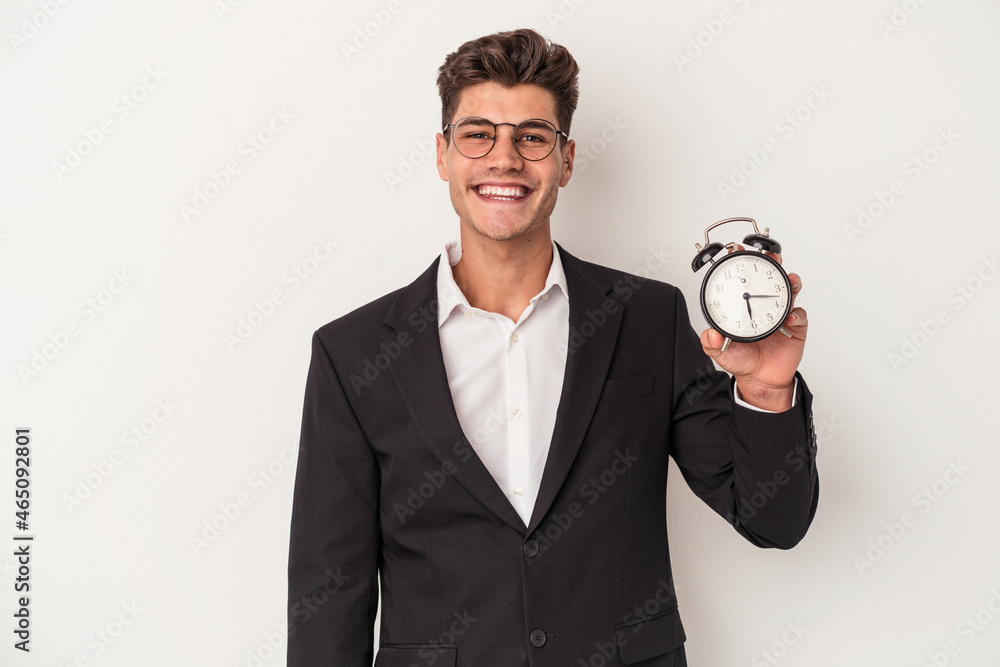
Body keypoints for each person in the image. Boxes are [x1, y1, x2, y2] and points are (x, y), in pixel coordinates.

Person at [287, 27, 818, 667]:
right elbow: (329, 593)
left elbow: (773, 521)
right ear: (443, 155)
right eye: (477, 134)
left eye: (532, 137)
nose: (504, 159)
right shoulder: (352, 355)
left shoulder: (648, 318)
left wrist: (765, 391)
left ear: (566, 160)